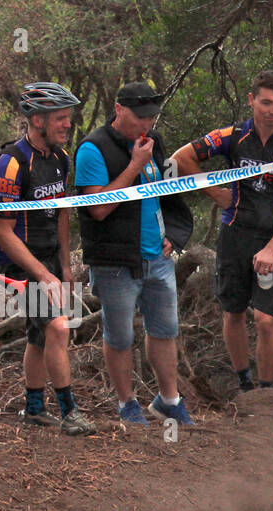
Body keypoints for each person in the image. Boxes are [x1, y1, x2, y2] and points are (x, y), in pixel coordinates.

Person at [170, 70, 273, 392]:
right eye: (266, 103)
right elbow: (181, 158)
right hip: (234, 235)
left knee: (265, 318)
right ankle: (244, 383)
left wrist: (272, 249)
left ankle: (266, 390)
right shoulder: (232, 136)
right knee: (232, 312)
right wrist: (216, 193)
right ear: (251, 100)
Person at [74, 81, 193, 426]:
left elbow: (169, 192)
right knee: (121, 334)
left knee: (165, 329)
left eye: (151, 117)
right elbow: (96, 208)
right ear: (118, 109)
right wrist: (133, 165)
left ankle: (169, 400)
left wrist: (174, 233)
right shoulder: (92, 149)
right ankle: (126, 403)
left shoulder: (154, 143)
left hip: (157, 256)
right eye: (140, 117)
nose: (146, 124)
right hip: (115, 261)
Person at [0, 82, 95, 436]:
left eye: (69, 118)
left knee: (40, 334)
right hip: (19, 261)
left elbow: (62, 212)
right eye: (61, 118)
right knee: (58, 328)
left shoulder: (60, 159)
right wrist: (43, 276)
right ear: (37, 121)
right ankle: (70, 412)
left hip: (49, 256)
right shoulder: (12, 164)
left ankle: (34, 407)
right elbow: (2, 233)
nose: (68, 125)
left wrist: (64, 266)